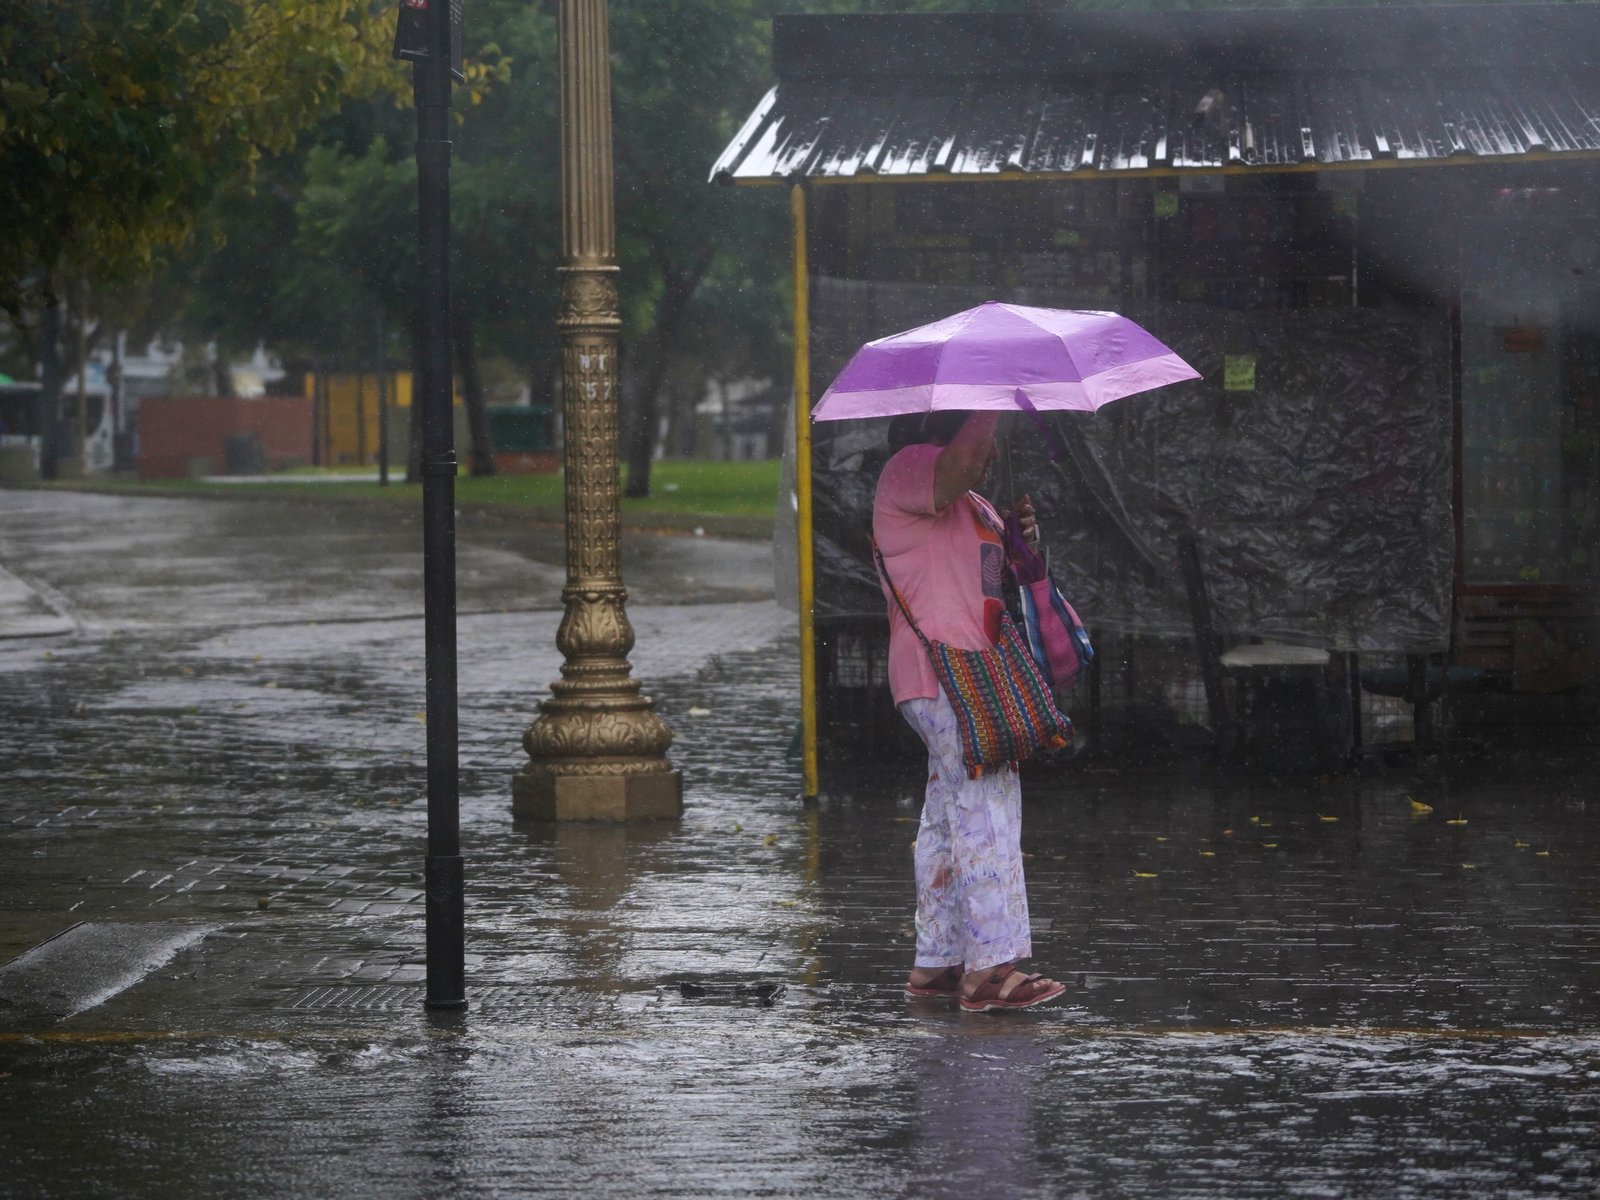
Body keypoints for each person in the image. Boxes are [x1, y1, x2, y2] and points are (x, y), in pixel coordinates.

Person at [873, 409, 1068, 1013]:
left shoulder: (972, 503)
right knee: (987, 808)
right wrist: (995, 399)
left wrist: (1018, 541)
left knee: (945, 812)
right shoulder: (906, 471)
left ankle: (937, 962)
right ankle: (989, 967)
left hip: (963, 677)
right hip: (945, 677)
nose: (987, 448)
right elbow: (958, 462)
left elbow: (985, 577)